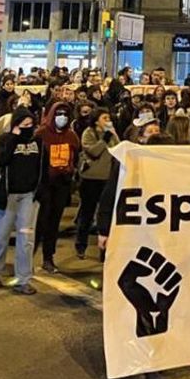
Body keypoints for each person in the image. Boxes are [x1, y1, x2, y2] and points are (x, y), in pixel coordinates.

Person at [0, 107, 42, 294]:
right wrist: (14, 138)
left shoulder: (38, 142)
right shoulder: (6, 139)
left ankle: (23, 278)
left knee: (26, 239)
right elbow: (1, 160)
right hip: (8, 195)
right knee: (0, 236)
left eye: (30, 124)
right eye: (23, 124)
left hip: (28, 196)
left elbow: (41, 166)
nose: (28, 128)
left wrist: (38, 190)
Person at [34, 101, 81, 273]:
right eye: (59, 114)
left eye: (65, 115)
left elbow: (75, 157)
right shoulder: (42, 134)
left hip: (62, 184)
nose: (62, 117)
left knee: (54, 223)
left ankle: (48, 257)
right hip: (44, 184)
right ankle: (28, 257)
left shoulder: (72, 136)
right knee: (40, 223)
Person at [76, 108, 119, 259]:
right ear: (96, 121)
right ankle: (81, 245)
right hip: (91, 179)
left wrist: (112, 135)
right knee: (87, 213)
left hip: (108, 179)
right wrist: (105, 138)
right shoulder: (89, 133)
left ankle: (104, 250)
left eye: (109, 117)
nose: (108, 120)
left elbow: (118, 149)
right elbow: (93, 151)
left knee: (105, 214)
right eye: (104, 118)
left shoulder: (111, 133)